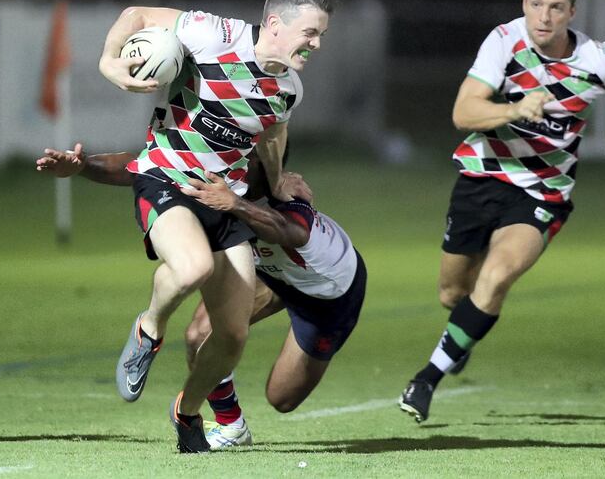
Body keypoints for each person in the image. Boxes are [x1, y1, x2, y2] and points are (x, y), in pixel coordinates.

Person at [398, 0, 605, 423]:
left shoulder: (597, 59)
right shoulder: (504, 41)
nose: (544, 18)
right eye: (536, 5)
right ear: (523, 4)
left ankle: (425, 380)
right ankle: (461, 335)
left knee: (496, 278)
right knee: (453, 293)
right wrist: (515, 108)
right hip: (481, 178)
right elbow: (463, 112)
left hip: (543, 193)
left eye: (556, 8)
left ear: (572, 11)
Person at [96, 0, 336, 452]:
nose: (315, 44)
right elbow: (135, 16)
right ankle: (149, 328)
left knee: (231, 336)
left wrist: (276, 185)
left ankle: (187, 415)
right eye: (309, 33)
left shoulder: (288, 88)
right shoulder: (213, 35)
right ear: (274, 23)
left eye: (321, 36)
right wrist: (109, 63)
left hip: (222, 200)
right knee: (192, 267)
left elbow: (271, 136)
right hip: (164, 177)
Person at [36, 144, 366, 451]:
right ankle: (231, 425)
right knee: (199, 334)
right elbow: (141, 167)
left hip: (329, 293)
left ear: (268, 168)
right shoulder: (216, 175)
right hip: (271, 276)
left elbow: (289, 231)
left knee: (281, 398)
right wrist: (81, 166)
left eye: (249, 158)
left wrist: (234, 203)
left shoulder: (282, 196)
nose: (235, 162)